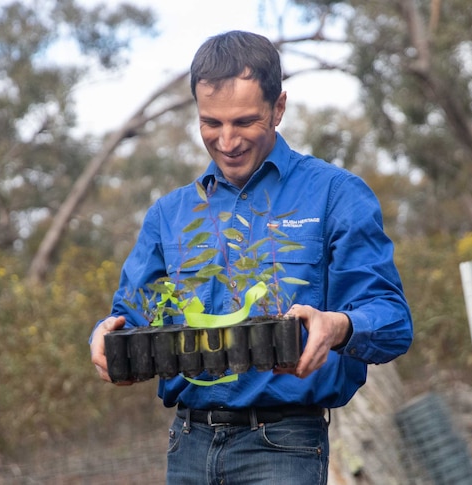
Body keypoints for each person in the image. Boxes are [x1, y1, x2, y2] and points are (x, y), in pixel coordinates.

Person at [90, 30, 413, 485]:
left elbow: (393, 321)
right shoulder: (170, 214)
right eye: (210, 123)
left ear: (278, 108)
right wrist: (103, 341)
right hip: (187, 446)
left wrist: (338, 326)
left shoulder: (335, 196)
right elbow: (130, 317)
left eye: (244, 122)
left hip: (283, 445)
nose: (226, 141)